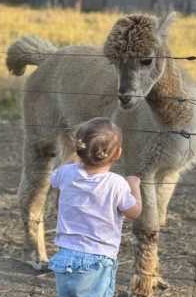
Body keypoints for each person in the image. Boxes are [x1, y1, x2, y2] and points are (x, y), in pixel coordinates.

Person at [49, 117, 142, 297]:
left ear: (78, 149)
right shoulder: (117, 183)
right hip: (98, 260)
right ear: (118, 154)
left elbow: (54, 178)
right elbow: (134, 212)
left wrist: (74, 153)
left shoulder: (66, 173)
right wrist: (134, 186)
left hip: (65, 256)